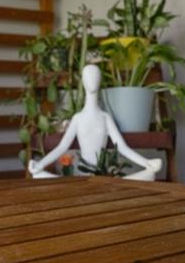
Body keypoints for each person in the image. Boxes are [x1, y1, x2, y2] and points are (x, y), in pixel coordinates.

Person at [29, 63, 163, 181]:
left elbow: (122, 147)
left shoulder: (105, 117)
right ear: (83, 81)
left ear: (100, 80)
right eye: (88, 76)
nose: (92, 80)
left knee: (149, 174)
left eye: (95, 76)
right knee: (38, 175)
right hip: (82, 178)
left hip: (103, 177)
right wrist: (39, 165)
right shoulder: (78, 118)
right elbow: (62, 147)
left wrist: (146, 163)